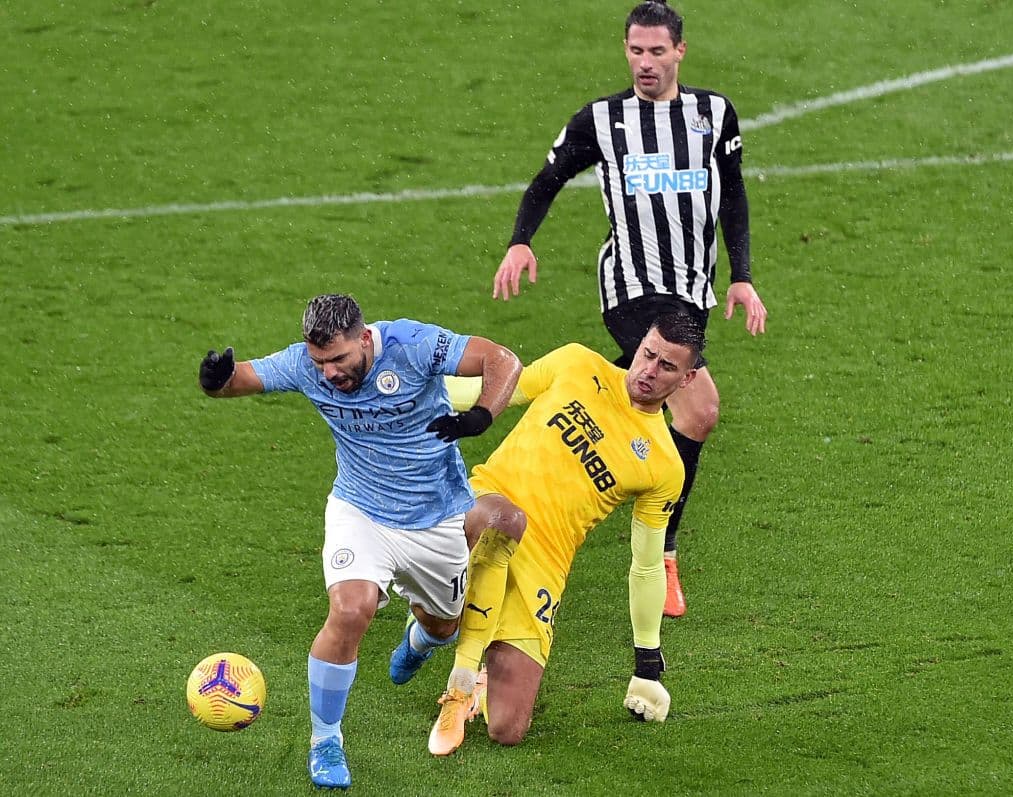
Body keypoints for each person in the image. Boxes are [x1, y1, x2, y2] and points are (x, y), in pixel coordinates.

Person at [491, 0, 768, 618]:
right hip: (632, 285)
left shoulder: (713, 114)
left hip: (693, 289)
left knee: (643, 397)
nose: (645, 62)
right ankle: (662, 555)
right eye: (635, 51)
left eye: (656, 51)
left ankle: (516, 408)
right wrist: (520, 240)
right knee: (699, 404)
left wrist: (743, 277)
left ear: (679, 52)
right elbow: (548, 178)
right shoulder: (602, 120)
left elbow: (734, 193)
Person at [197, 293, 521, 789]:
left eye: (339, 360)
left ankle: (420, 640)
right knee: (350, 609)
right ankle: (325, 741)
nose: (329, 374)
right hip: (360, 511)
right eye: (319, 362)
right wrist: (215, 380)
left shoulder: (414, 345)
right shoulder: (305, 365)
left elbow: (502, 360)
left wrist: (481, 415)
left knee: (444, 627)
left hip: (435, 520)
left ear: (365, 339)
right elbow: (242, 379)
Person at [427, 312, 704, 756]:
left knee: (508, 729)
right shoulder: (578, 364)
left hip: (545, 562)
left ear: (687, 378)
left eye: (666, 366)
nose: (649, 371)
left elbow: (648, 562)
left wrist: (647, 666)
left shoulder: (664, 465)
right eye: (648, 354)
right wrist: (411, 385)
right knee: (501, 522)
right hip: (488, 502)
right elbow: (498, 391)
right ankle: (449, 669)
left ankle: (478, 678)